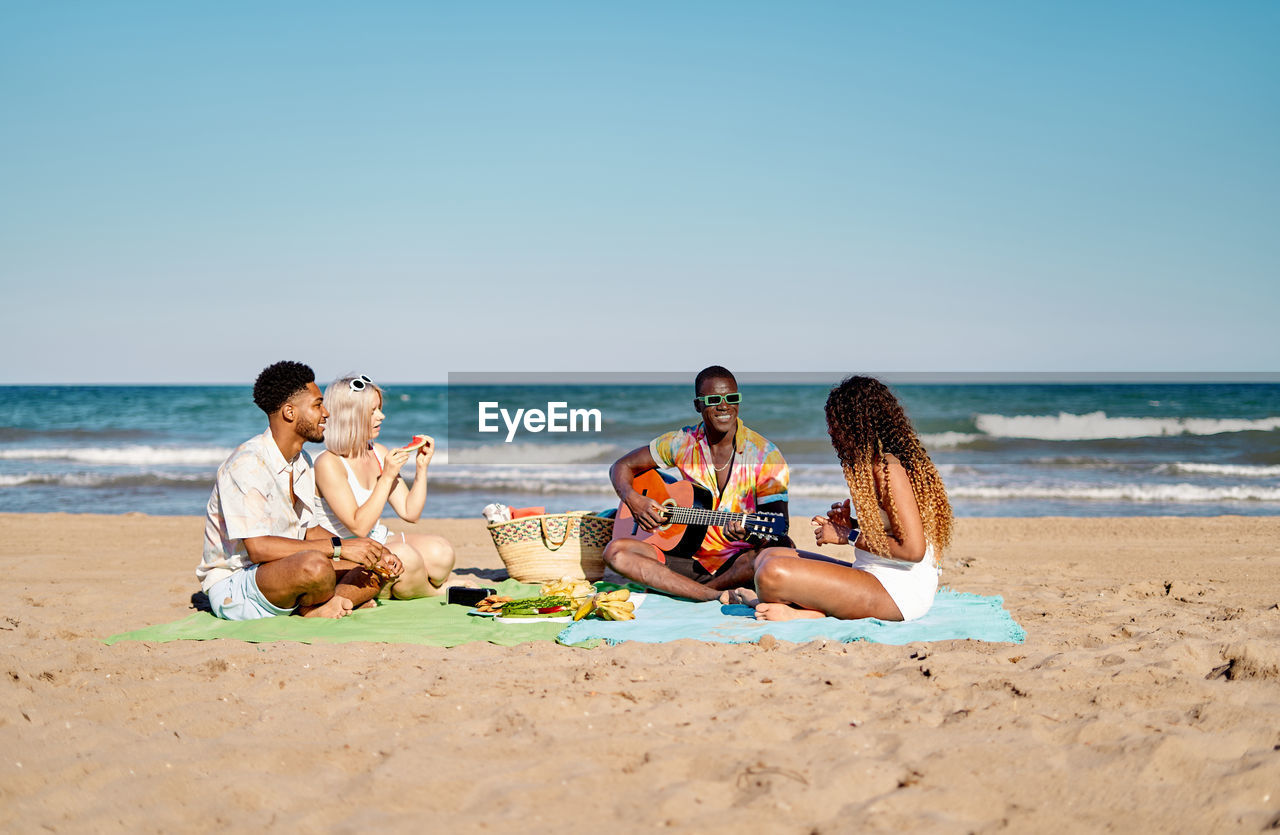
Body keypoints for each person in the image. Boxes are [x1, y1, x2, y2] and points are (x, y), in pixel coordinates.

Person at [725, 375, 953, 622]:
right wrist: (851, 525)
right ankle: (810, 608)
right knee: (768, 557)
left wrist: (848, 537)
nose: (831, 431)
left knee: (771, 573)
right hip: (873, 572)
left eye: (836, 423)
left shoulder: (889, 469)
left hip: (900, 591)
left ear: (857, 424)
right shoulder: (871, 465)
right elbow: (891, 531)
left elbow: (913, 550)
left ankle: (810, 615)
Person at [198, 361, 402, 620]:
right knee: (315, 567)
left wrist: (365, 550)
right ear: (290, 412)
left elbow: (308, 530)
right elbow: (258, 548)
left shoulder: (301, 461)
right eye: (318, 405)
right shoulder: (247, 464)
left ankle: (321, 605)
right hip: (239, 582)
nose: (326, 413)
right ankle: (323, 603)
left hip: (287, 566)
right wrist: (340, 548)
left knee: (372, 569)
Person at [603, 365, 791, 601]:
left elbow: (779, 527)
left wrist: (747, 535)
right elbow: (621, 466)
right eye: (714, 400)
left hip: (736, 564)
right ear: (698, 405)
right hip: (685, 555)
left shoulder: (766, 456)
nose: (724, 406)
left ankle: (692, 591)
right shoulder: (682, 442)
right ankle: (711, 595)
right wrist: (634, 499)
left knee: (769, 557)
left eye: (732, 398)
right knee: (616, 552)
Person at [312, 373, 456, 598]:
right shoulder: (328, 463)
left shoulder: (378, 452)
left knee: (442, 552)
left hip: (377, 540)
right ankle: (439, 592)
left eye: (379, 408)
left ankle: (408, 585)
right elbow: (358, 527)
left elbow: (411, 512)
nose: (382, 416)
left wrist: (422, 468)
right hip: (347, 552)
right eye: (372, 411)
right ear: (350, 416)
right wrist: (387, 477)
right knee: (406, 557)